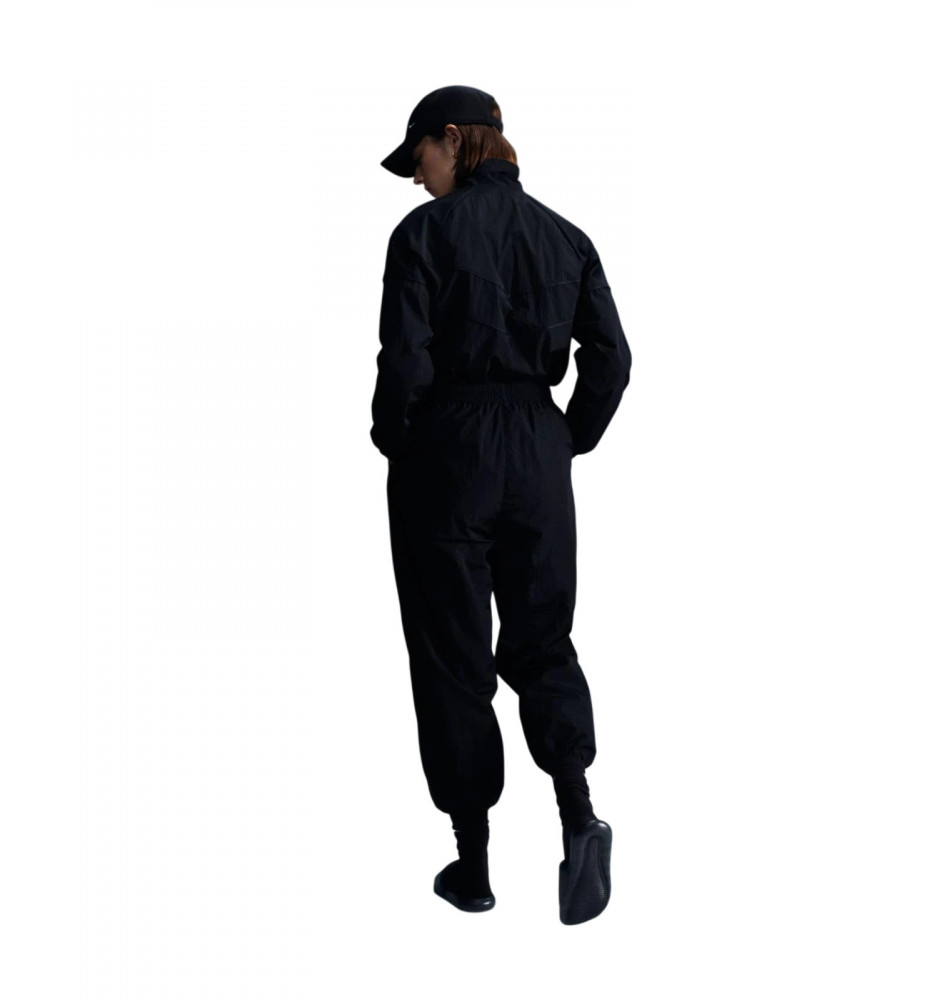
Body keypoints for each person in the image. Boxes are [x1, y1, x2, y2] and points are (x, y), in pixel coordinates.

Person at [370, 85, 631, 924]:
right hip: (537, 448)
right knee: (542, 639)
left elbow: (405, 359)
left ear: (454, 139)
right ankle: (579, 816)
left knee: (452, 654)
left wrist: (394, 439)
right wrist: (565, 440)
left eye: (420, 159)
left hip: (448, 449)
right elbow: (612, 360)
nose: (417, 179)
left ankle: (474, 863)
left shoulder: (422, 235)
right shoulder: (567, 237)